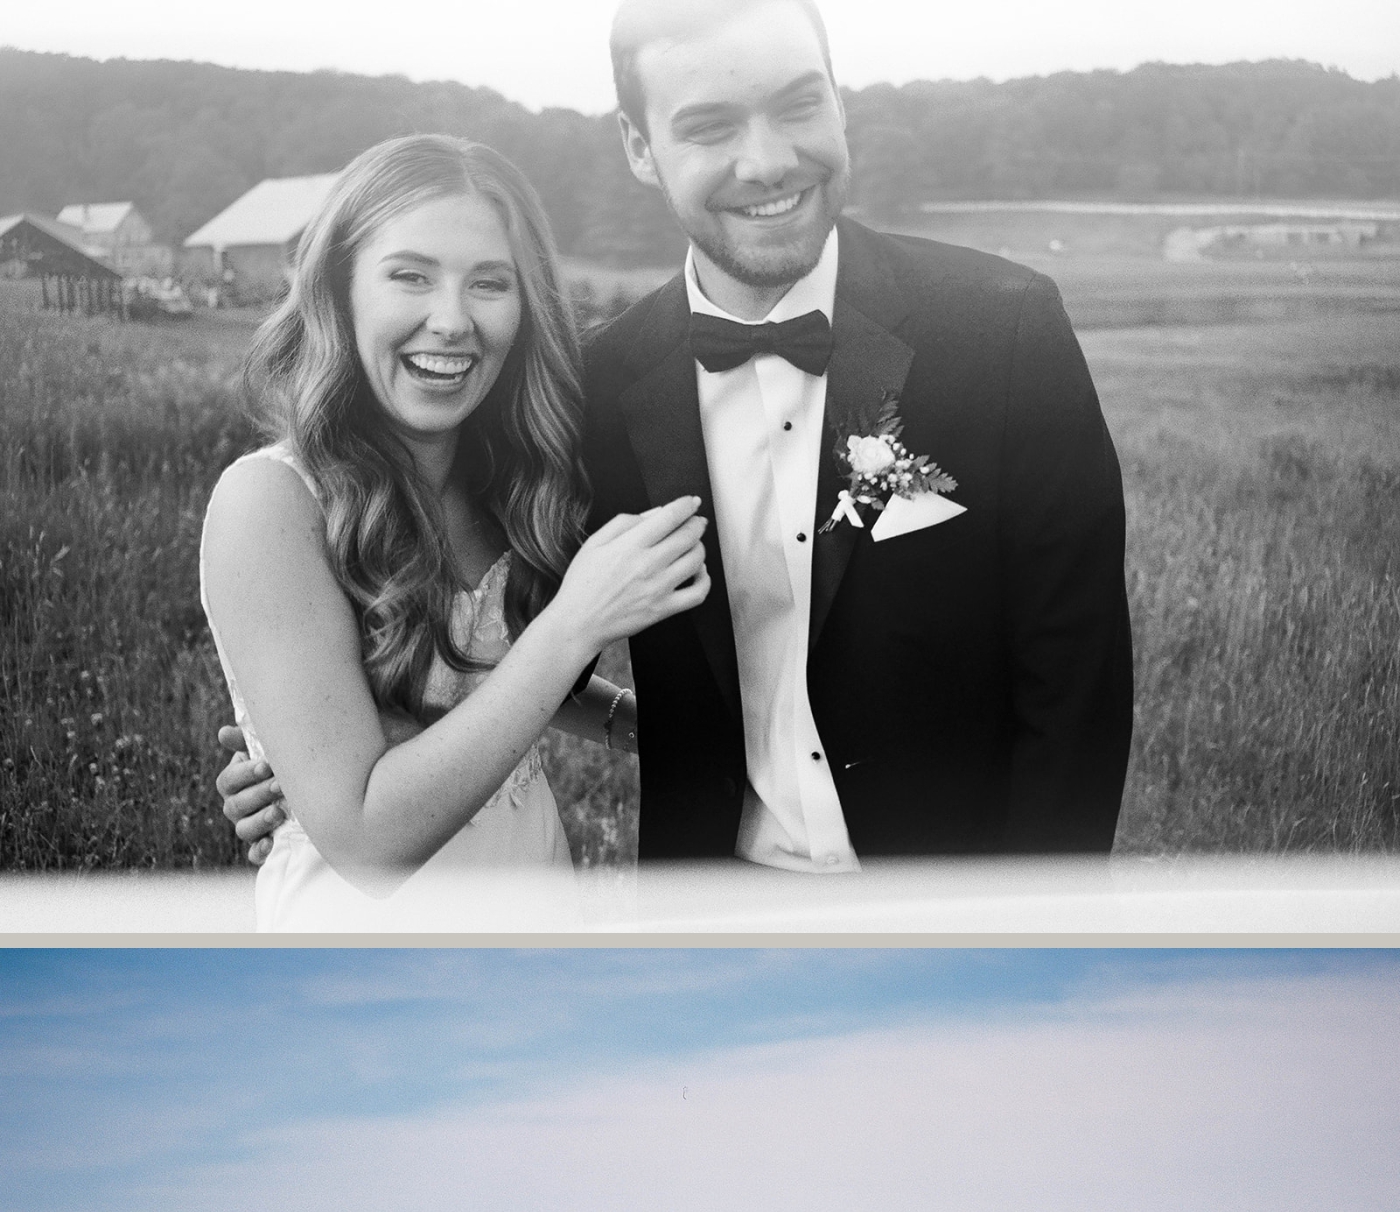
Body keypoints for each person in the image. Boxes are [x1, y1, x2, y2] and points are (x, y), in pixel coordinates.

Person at [220, 0, 1132, 879]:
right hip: (708, 908)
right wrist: (295, 767)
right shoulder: (592, 392)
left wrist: (1028, 929)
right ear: (638, 148)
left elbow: (1076, 685)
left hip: (958, 910)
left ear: (841, 102)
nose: (767, 162)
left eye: (799, 104)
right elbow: (484, 636)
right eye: (708, 126)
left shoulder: (1004, 331)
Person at [201, 133, 708, 929]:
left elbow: (477, 672)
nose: (452, 320)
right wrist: (577, 623)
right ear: (340, 288)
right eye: (410, 276)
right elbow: (368, 840)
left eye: (489, 283)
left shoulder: (517, 473)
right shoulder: (269, 503)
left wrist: (636, 726)